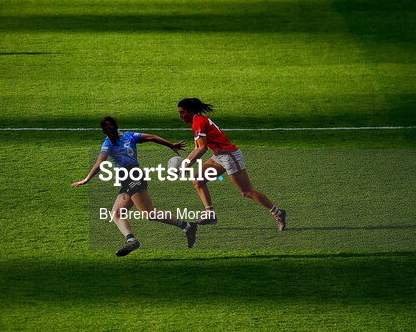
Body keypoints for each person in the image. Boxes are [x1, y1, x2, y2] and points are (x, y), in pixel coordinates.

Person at [73, 116, 198, 256]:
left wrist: (87, 179)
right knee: (116, 214)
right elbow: (151, 137)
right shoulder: (125, 137)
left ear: (104, 131)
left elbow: (100, 163)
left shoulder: (112, 141)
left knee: (149, 214)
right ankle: (131, 240)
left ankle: (188, 226)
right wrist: (170, 145)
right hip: (129, 178)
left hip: (132, 177)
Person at [176, 98, 287, 230]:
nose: (180, 116)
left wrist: (187, 164)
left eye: (182, 112)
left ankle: (277, 212)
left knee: (246, 191)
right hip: (219, 155)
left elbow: (202, 148)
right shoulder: (197, 121)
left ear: (191, 111)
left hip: (230, 156)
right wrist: (186, 163)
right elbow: (197, 147)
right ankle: (210, 214)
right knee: (198, 180)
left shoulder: (198, 122)